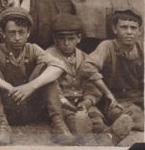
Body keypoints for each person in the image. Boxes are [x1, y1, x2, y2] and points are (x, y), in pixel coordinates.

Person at [0, 7, 75, 145]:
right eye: (12, 33)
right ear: (3, 33)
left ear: (28, 33)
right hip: (6, 108)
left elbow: (59, 67)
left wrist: (30, 87)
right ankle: (2, 125)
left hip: (30, 107)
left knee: (48, 68)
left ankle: (58, 124)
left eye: (21, 32)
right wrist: (7, 86)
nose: (17, 38)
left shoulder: (33, 49)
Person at [45, 14, 125, 144]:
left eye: (71, 38)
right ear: (55, 39)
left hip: (82, 101)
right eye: (62, 39)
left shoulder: (85, 57)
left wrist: (87, 102)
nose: (66, 43)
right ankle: (89, 138)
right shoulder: (48, 56)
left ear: (79, 38)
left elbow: (93, 86)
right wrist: (67, 104)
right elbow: (52, 87)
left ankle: (108, 136)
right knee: (73, 120)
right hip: (62, 104)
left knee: (97, 121)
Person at [80, 9, 144, 140]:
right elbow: (87, 67)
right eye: (124, 27)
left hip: (139, 98)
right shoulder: (107, 46)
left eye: (133, 28)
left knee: (136, 113)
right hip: (116, 99)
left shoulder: (142, 48)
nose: (129, 32)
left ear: (139, 31)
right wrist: (108, 93)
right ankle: (111, 128)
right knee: (119, 113)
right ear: (115, 29)